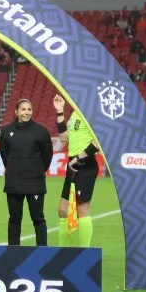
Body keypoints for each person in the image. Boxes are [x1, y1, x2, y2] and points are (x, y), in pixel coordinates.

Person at [0, 99, 53, 246]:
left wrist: (37, 170)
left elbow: (47, 156)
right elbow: (4, 154)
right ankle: (13, 252)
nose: (26, 112)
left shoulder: (41, 131)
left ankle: (42, 252)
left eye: (29, 109)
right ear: (16, 111)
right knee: (14, 219)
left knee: (38, 219)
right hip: (13, 182)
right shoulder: (7, 131)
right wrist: (13, 168)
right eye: (23, 109)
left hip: (35, 182)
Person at [53, 94, 100, 248]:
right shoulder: (75, 113)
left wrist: (79, 158)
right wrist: (60, 111)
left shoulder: (94, 114)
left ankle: (85, 253)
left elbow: (98, 142)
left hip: (86, 164)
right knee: (62, 210)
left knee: (81, 209)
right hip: (72, 165)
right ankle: (63, 252)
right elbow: (64, 137)